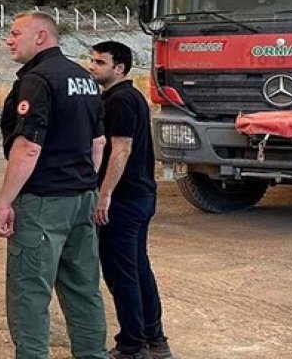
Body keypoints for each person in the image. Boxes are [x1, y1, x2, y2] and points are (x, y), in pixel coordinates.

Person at [0, 11, 109, 359]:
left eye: (16, 33)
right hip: (82, 197)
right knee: (83, 289)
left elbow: (29, 146)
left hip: (44, 201)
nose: (9, 40)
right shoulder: (85, 78)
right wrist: (82, 183)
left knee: (29, 294)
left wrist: (5, 201)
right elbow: (98, 143)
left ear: (41, 36)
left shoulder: (38, 79)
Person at [87, 41, 176, 359]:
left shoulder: (120, 100)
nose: (92, 66)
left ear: (119, 68)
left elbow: (121, 149)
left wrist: (105, 195)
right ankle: (155, 339)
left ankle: (131, 345)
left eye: (100, 62)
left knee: (122, 273)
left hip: (124, 200)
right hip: (138, 196)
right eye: (92, 60)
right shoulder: (130, 96)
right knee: (137, 269)